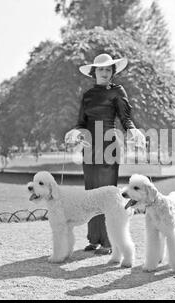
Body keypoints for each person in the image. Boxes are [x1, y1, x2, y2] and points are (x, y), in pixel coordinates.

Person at [64, 53, 145, 255]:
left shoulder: (117, 91)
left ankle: (109, 241)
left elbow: (125, 117)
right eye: (101, 69)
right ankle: (94, 239)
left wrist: (132, 129)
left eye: (108, 69)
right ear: (94, 72)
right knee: (91, 192)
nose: (105, 72)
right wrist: (75, 133)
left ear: (112, 72)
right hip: (90, 146)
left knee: (108, 194)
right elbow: (81, 123)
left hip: (109, 144)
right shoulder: (88, 95)